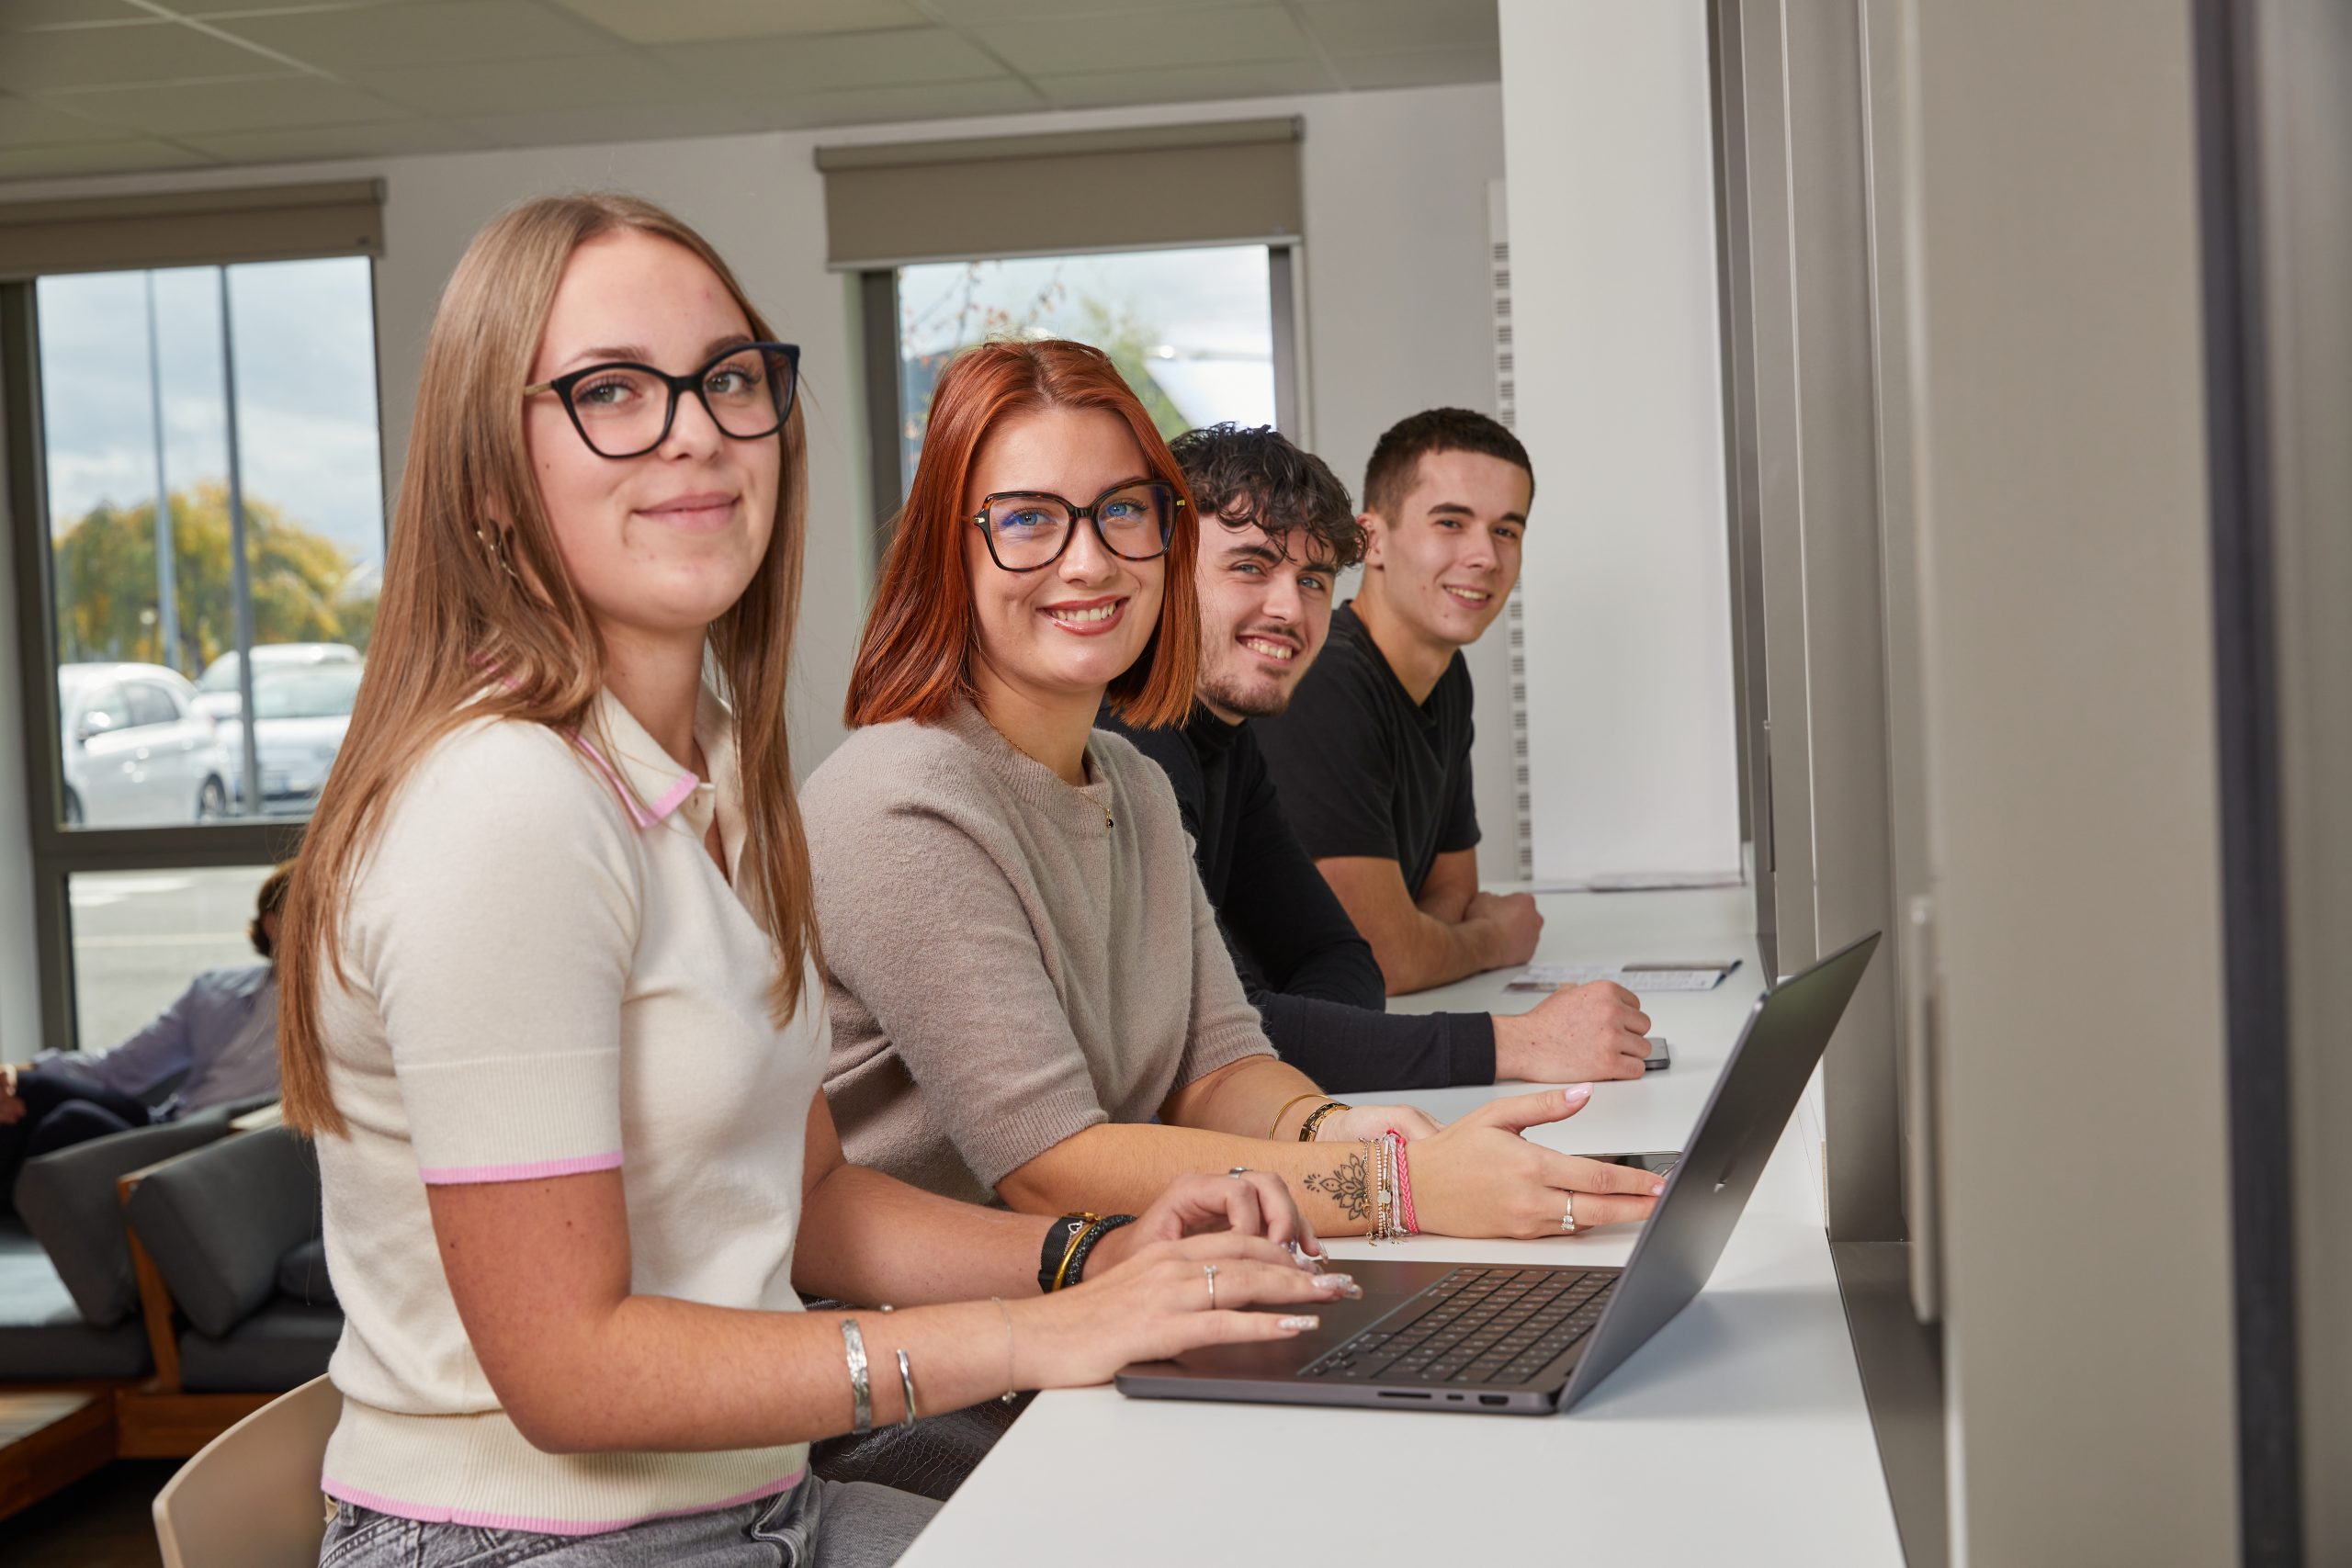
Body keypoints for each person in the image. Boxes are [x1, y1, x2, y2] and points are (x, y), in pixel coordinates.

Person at [276, 196, 1351, 1568]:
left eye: (729, 380)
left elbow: (818, 1203)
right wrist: (1040, 1330)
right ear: (489, 480)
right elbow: (567, 1373)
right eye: (613, 390)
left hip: (754, 1502)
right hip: (534, 1539)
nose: (696, 429)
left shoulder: (718, 770)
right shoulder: (504, 805)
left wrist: (1096, 1258)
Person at [803, 341, 1667, 1248]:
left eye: (1122, 512)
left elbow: (1219, 1063)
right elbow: (1050, 1162)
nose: (1090, 562)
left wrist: (1335, 1129)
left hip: (1120, 1274)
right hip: (947, 1337)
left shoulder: (1127, 781)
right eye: (1027, 520)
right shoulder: (904, 801)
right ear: (951, 549)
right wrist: (1395, 1185)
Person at [1100, 424, 1651, 1090]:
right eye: (1249, 566)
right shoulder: (1125, 746)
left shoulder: (1227, 736)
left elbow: (1341, 959)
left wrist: (1315, 1036)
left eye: (1313, 579)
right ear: (1163, 571)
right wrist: (1520, 1042)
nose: (1288, 608)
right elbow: (1219, 1035)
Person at [1253, 407, 1545, 996]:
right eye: (1451, 523)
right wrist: (1495, 938)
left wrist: (1416, 936)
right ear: (1372, 540)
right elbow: (1384, 960)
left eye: (1506, 530)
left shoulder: (1445, 675)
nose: (1485, 556)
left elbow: (1454, 890)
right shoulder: (1323, 680)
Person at [0, 862, 291, 1197]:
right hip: (169, 1126)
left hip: (217, 1147)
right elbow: (124, 1068)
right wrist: (12, 1073)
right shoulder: (215, 991)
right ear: (274, 926)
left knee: (69, 1124)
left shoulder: (344, 1013)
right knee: (28, 1088)